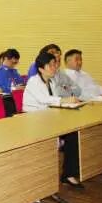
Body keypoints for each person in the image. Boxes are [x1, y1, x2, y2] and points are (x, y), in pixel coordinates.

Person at [22, 52, 83, 187]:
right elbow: (45, 100)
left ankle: (69, 174)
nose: (55, 67)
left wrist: (69, 102)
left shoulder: (51, 81)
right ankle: (45, 179)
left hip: (48, 119)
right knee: (69, 135)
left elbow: (55, 101)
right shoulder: (33, 81)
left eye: (55, 64)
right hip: (33, 121)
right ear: (41, 68)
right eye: (50, 65)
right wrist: (64, 100)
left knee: (74, 133)